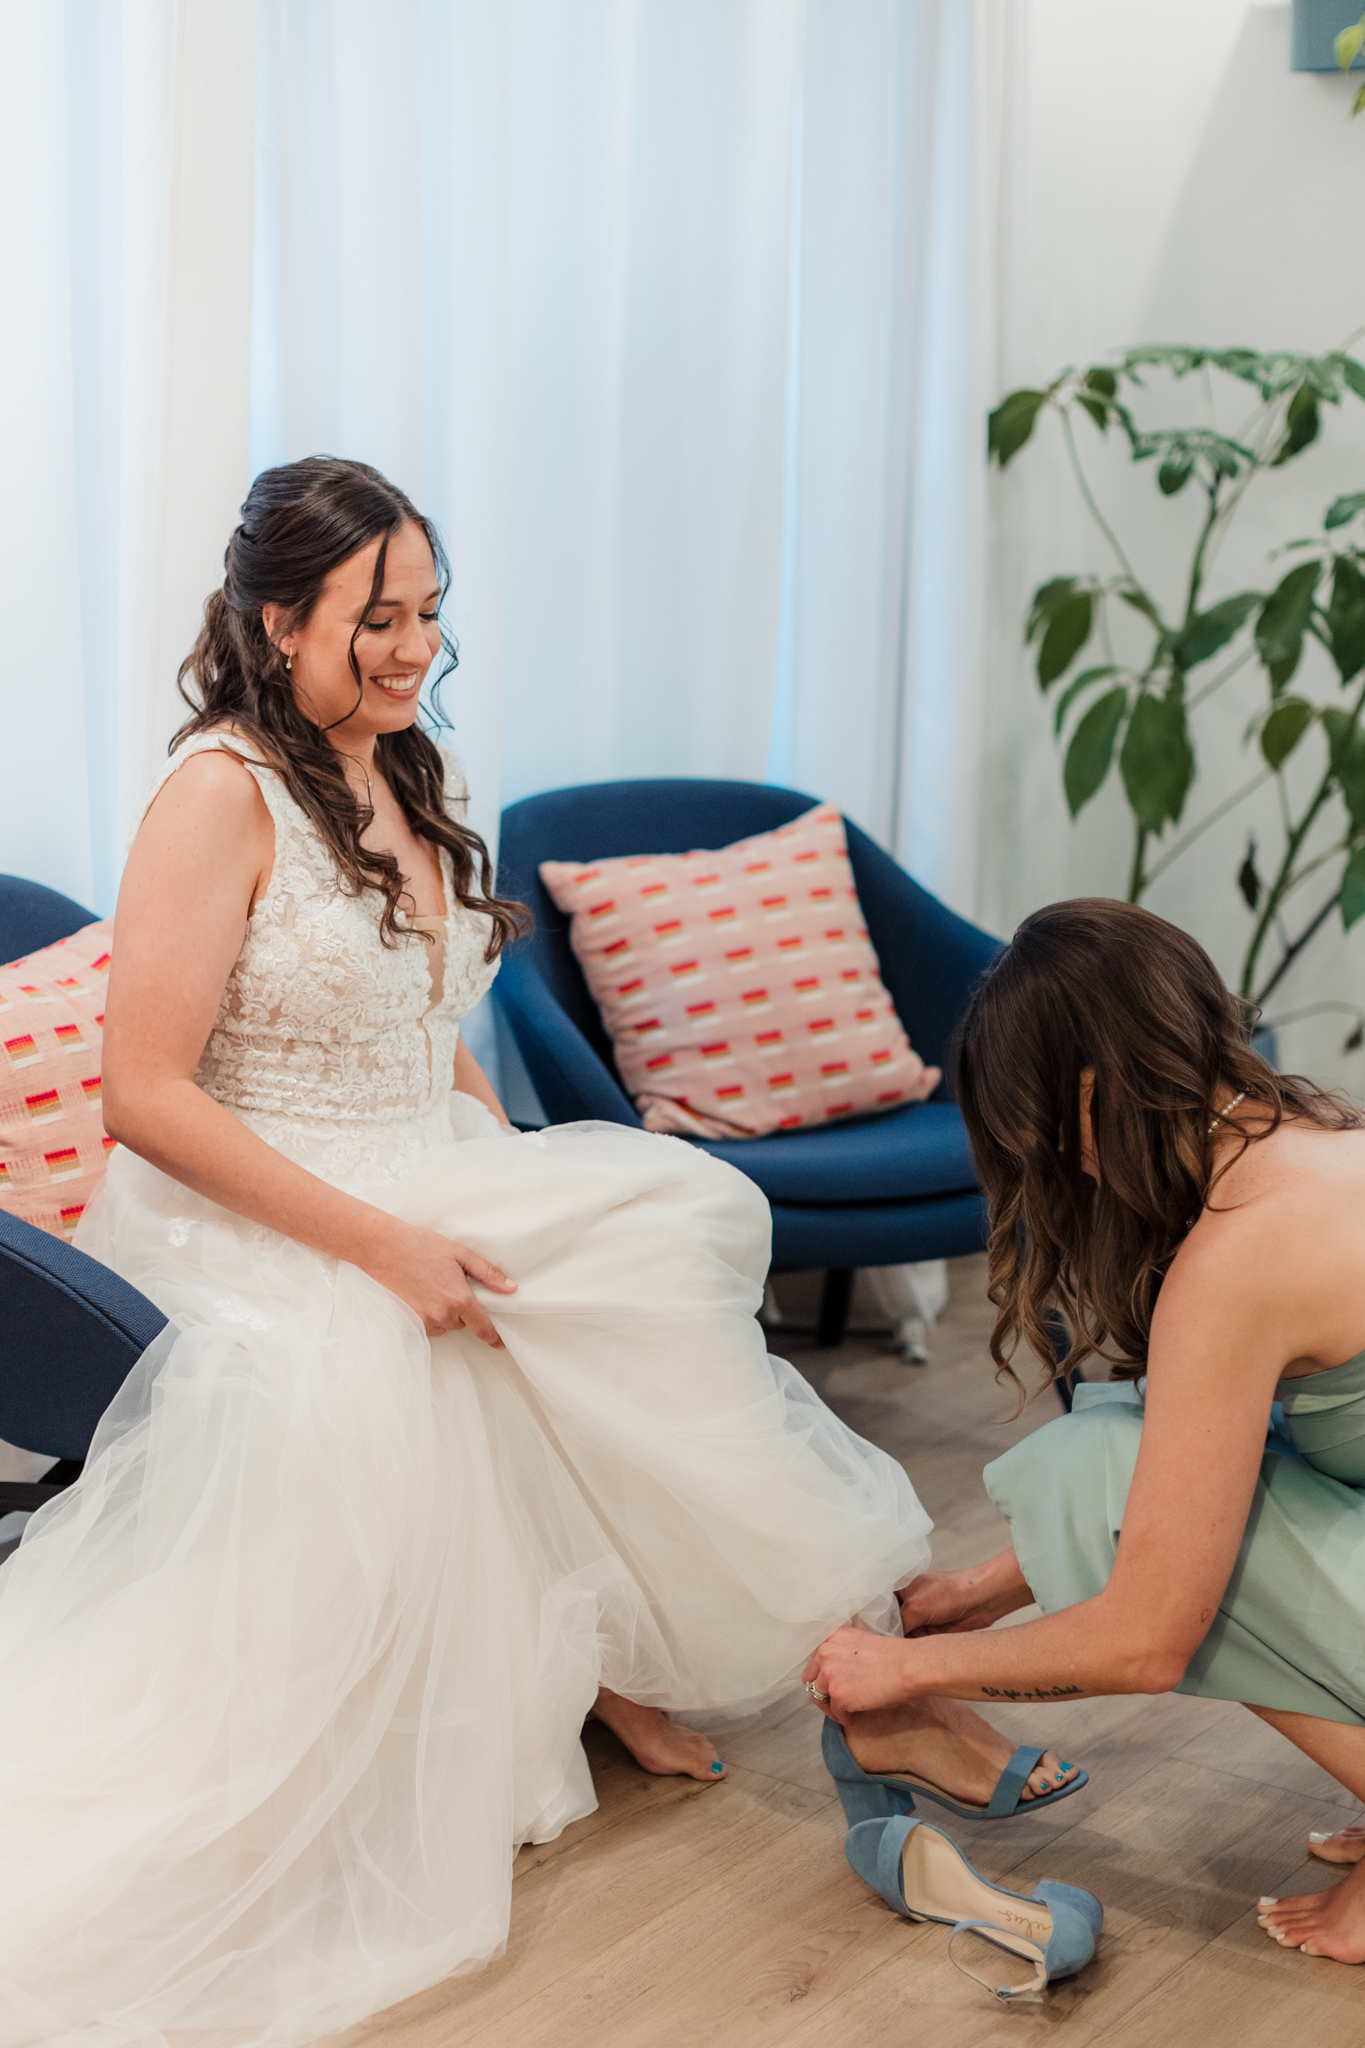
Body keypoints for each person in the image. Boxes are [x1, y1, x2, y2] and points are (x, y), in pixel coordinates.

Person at [0, 458, 1077, 2047]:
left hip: (415, 1161)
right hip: (252, 1206)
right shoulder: (216, 793)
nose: (409, 649)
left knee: (653, 1237)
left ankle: (791, 1677)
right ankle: (834, 1692)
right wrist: (386, 1245)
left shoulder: (400, 764)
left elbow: (427, 1034)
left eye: (429, 614)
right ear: (271, 616)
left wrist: (509, 1179)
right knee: (460, 1338)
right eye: (375, 620)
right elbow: (149, 1100)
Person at [802, 896, 1365, 1965]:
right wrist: (976, 1591)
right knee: (1126, 1445)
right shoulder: (1320, 1136)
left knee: (1089, 1466)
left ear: (1094, 1093)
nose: (1066, 1171)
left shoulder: (1241, 1254)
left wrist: (911, 1672)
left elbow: (1148, 1635)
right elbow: (1210, 1460)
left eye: (1047, 1136)